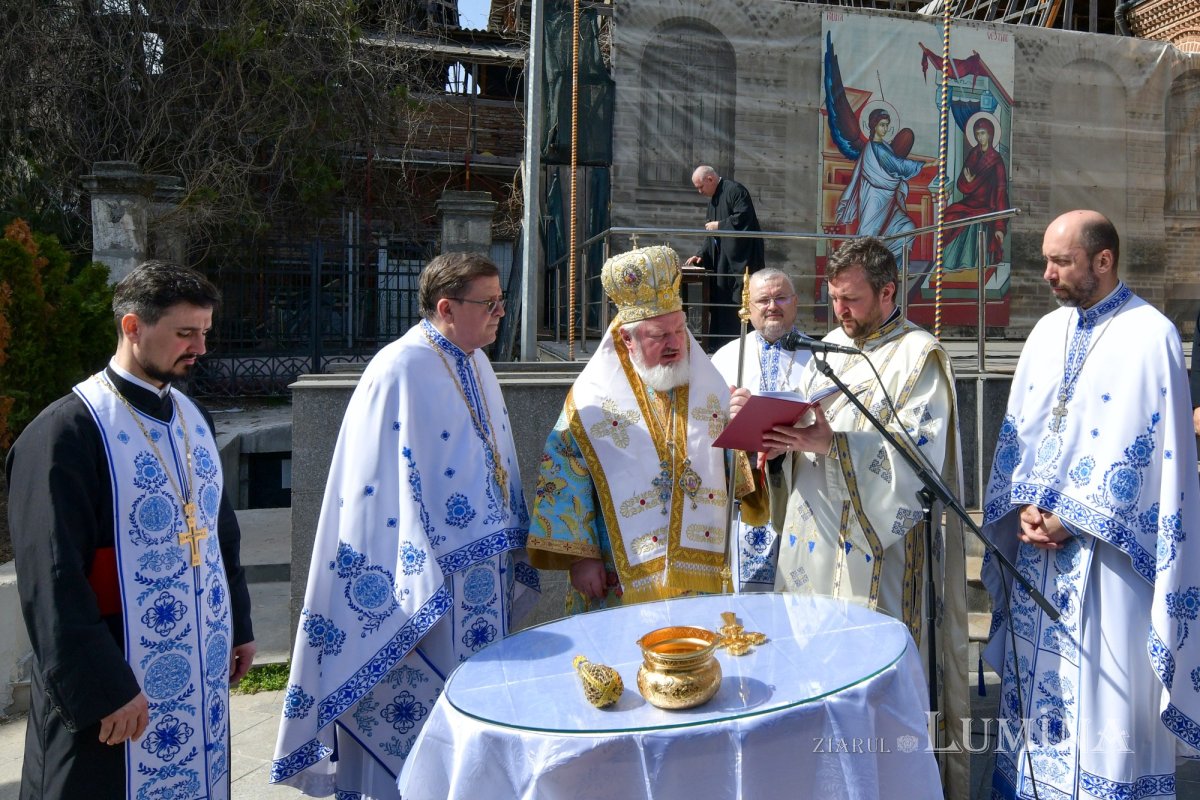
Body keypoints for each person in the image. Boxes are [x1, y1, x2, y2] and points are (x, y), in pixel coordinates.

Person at [271, 252, 539, 798]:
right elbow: (372, 490)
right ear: (447, 307)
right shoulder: (398, 367)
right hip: (429, 591)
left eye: (500, 302)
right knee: (424, 722)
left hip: (483, 581)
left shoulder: (475, 359)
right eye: (489, 304)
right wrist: (415, 573)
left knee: (478, 711)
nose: (501, 314)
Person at [7, 260, 256, 799]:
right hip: (118, 676)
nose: (200, 349)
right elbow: (51, 580)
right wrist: (103, 690)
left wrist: (239, 622)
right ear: (132, 327)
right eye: (185, 333)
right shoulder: (66, 433)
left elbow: (218, 531)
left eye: (205, 333)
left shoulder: (193, 417)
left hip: (197, 665)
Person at [731, 236, 969, 794]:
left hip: (876, 558)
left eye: (852, 299)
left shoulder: (920, 356)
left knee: (869, 687)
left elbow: (919, 460)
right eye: (834, 298)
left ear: (889, 291)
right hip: (809, 545)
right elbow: (803, 430)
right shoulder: (830, 346)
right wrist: (769, 435)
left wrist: (831, 445)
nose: (840, 311)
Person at [981, 210, 1200, 798]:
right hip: (1037, 563)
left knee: (1110, 718)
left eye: (1061, 262)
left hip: (1112, 565)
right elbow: (1019, 435)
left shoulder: (1151, 334)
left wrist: (1074, 516)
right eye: (1046, 261)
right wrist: (1021, 504)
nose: (1048, 274)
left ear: (1103, 261)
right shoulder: (1046, 332)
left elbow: (1157, 457)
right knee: (1036, 721)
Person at [528, 245, 756, 610]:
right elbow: (565, 471)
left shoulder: (710, 387)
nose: (675, 344)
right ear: (626, 339)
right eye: (659, 335)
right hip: (618, 571)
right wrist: (581, 558)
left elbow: (738, 475)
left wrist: (747, 429)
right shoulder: (591, 398)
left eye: (680, 330)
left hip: (698, 572)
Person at [710, 268, 811, 591]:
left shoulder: (818, 357)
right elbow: (702, 426)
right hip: (744, 495)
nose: (772, 306)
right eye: (763, 300)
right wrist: (728, 415)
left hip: (803, 490)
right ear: (749, 308)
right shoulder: (726, 358)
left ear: (795, 302)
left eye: (781, 297)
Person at [684, 165, 765, 347]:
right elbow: (710, 233)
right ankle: (720, 342)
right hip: (722, 262)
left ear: (710, 179)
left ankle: (742, 344)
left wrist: (720, 225)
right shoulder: (713, 200)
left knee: (740, 301)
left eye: (700, 186)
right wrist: (700, 255)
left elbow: (744, 218)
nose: (699, 191)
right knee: (721, 299)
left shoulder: (735, 191)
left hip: (742, 259)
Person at [835, 109, 927, 265]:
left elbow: (894, 166)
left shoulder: (884, 146)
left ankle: (894, 267)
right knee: (868, 238)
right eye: (882, 125)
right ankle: (859, 269)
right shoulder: (874, 148)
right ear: (874, 126)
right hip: (875, 198)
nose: (885, 128)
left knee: (907, 228)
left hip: (888, 199)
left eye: (887, 125)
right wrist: (924, 165)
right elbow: (897, 165)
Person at [942, 116, 1009, 271]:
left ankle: (969, 263)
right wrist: (969, 182)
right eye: (978, 134)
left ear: (990, 134)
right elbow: (962, 185)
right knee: (950, 215)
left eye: (983, 133)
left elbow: (1000, 192)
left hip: (988, 205)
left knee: (972, 222)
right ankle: (950, 263)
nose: (980, 137)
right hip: (972, 202)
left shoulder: (997, 161)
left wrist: (999, 226)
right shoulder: (973, 154)